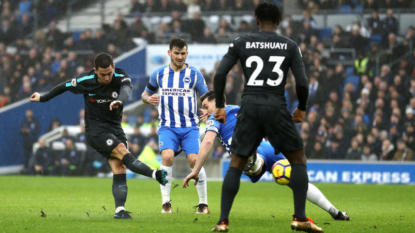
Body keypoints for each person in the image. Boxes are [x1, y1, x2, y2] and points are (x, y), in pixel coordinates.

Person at [191, 3, 321, 232]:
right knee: (298, 159)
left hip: (249, 107)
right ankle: (299, 218)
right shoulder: (290, 45)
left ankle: (222, 221)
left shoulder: (242, 42)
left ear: (256, 19)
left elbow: (220, 73)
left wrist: (219, 106)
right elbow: (301, 81)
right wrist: (301, 107)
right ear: (279, 21)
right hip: (276, 107)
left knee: (236, 163)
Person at [30, 53, 168, 219]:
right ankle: (156, 175)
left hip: (115, 127)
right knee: (122, 152)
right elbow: (64, 86)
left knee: (120, 166)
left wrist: (120, 101)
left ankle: (119, 211)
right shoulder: (85, 80)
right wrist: (42, 98)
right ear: (95, 71)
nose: (107, 77)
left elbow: (125, 90)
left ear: (113, 68)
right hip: (95, 129)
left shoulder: (121, 76)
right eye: (103, 74)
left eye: (109, 73)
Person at [183, 91, 350, 222]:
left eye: (205, 106)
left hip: (249, 152)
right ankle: (335, 212)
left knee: (249, 163)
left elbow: (207, 142)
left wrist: (196, 169)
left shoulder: (215, 117)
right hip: (268, 146)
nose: (204, 111)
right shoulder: (237, 108)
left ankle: (252, 158)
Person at [141, 38, 210, 214]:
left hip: (190, 127)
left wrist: (207, 110)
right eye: (177, 53)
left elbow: (207, 97)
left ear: (187, 53)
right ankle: (166, 203)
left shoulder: (195, 74)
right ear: (169, 53)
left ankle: (203, 204)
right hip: (167, 126)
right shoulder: (159, 74)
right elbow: (144, 94)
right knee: (167, 158)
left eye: (183, 53)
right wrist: (148, 99)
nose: (180, 57)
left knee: (195, 161)